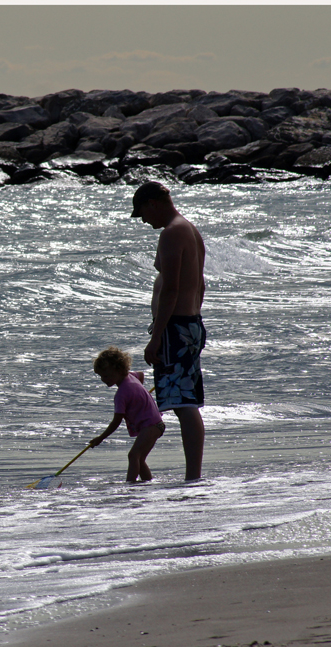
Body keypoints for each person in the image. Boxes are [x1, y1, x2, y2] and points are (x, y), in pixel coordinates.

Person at [131, 181, 206, 481]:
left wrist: (157, 336)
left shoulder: (172, 232)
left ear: (152, 203)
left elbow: (172, 288)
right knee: (183, 402)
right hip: (187, 324)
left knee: (183, 404)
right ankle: (193, 476)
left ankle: (193, 477)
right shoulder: (188, 228)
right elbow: (201, 284)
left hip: (176, 329)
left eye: (142, 214)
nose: (144, 221)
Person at [88, 347, 166, 483]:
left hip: (151, 426)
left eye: (106, 375)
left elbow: (116, 421)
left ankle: (130, 485)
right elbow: (141, 375)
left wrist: (101, 438)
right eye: (101, 376)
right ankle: (148, 482)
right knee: (139, 459)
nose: (103, 379)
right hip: (156, 424)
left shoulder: (121, 394)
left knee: (133, 455)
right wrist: (139, 393)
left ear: (118, 370)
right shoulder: (131, 376)